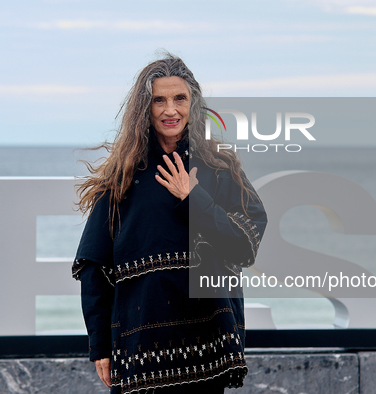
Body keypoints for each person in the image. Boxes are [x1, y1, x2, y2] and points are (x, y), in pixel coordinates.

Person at [72, 53, 267, 394]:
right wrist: (100, 345)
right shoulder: (122, 177)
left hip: (206, 346)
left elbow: (245, 245)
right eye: (159, 100)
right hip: (142, 350)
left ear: (194, 104)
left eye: (180, 98)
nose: (170, 110)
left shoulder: (220, 168)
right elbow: (93, 264)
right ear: (144, 109)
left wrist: (194, 198)